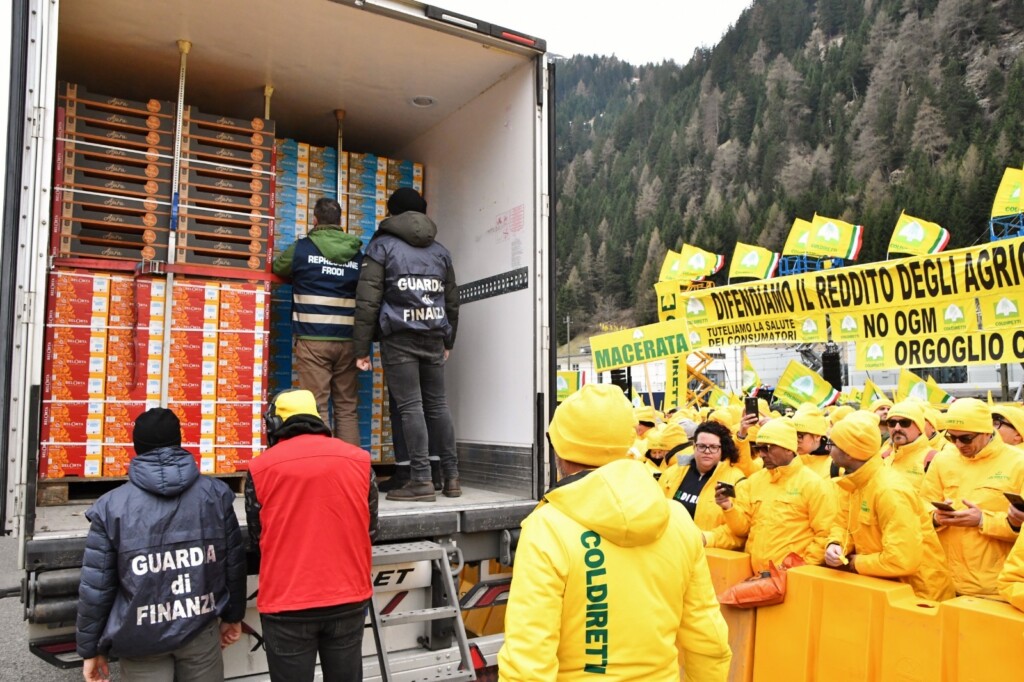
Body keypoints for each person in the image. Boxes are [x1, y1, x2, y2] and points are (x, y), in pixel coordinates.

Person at [497, 384, 731, 681]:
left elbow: (527, 660)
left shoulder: (549, 528)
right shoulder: (677, 519)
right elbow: (707, 635)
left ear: (560, 450)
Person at [76, 408, 246, 682]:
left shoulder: (111, 506)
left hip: (141, 637)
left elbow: (97, 587)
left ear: (136, 447)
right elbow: (233, 565)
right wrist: (233, 615)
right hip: (199, 631)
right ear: (179, 442)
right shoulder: (215, 495)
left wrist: (90, 649)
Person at [246, 389, 378, 681]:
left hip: (287, 603)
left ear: (276, 424)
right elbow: (371, 529)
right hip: (348, 597)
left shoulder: (260, 468)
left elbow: (258, 537)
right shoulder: (360, 460)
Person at [354, 187, 460, 502]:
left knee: (410, 407)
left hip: (399, 337)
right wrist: (448, 339)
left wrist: (361, 348)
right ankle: (452, 478)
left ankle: (421, 480)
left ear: (392, 212)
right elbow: (452, 300)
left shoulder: (382, 246)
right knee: (438, 405)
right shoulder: (440, 251)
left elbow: (368, 300)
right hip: (432, 334)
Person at [824, 411, 955, 602]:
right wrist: (835, 545)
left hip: (918, 595)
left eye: (832, 444)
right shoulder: (854, 483)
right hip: (887, 590)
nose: (828, 450)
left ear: (849, 453)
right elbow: (844, 524)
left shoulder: (889, 490)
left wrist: (855, 563)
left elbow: (901, 560)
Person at [272, 197, 365, 446]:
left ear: (314, 220)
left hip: (313, 340)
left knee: (316, 407)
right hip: (348, 341)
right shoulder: (356, 253)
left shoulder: (302, 248)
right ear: (339, 222)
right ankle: (352, 472)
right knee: (347, 408)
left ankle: (324, 470)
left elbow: (278, 267)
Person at [919, 398, 1024, 598]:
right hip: (942, 581)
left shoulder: (1018, 463)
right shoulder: (943, 460)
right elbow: (920, 508)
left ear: (986, 431)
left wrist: (983, 520)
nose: (958, 444)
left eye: (966, 438)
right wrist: (936, 517)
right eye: (952, 438)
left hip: (991, 588)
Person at [716, 418, 837, 572]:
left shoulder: (813, 484)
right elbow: (743, 529)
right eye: (759, 448)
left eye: (768, 448)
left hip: (792, 581)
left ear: (788, 449)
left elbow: (825, 534)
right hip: (756, 577)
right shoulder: (754, 481)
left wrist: (799, 568)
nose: (762, 454)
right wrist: (728, 507)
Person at [660, 420, 746, 550]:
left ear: (722, 449)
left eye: (713, 447)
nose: (707, 451)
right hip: (670, 549)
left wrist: (705, 538)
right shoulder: (672, 473)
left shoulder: (736, 480)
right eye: (702, 446)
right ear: (694, 446)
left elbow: (741, 532)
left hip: (707, 556)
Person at [881, 400, 940, 492]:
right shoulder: (883, 456)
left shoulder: (933, 459)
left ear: (919, 427)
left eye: (904, 423)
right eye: (892, 423)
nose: (897, 428)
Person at [792, 405, 832, 478]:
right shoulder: (786, 459)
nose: (795, 440)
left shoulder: (834, 465)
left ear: (817, 436)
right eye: (792, 434)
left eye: (800, 436)